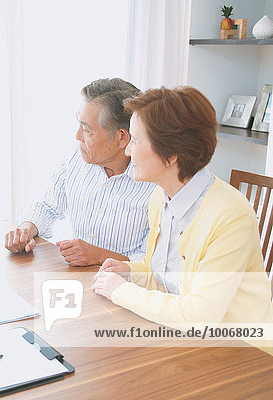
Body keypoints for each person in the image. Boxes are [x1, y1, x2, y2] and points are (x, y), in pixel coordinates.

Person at [91, 87, 273, 351]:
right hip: (190, 344)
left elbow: (198, 317)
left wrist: (121, 291)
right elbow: (170, 277)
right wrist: (130, 272)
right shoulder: (159, 197)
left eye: (136, 140)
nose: (128, 151)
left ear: (171, 154)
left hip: (246, 353)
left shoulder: (230, 215)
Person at [5, 78, 155, 266]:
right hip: (78, 280)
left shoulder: (155, 182)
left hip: (125, 290)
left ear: (122, 137)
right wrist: (27, 229)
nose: (77, 136)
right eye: (79, 124)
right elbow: (46, 206)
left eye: (87, 130)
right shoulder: (77, 157)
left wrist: (100, 256)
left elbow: (153, 264)